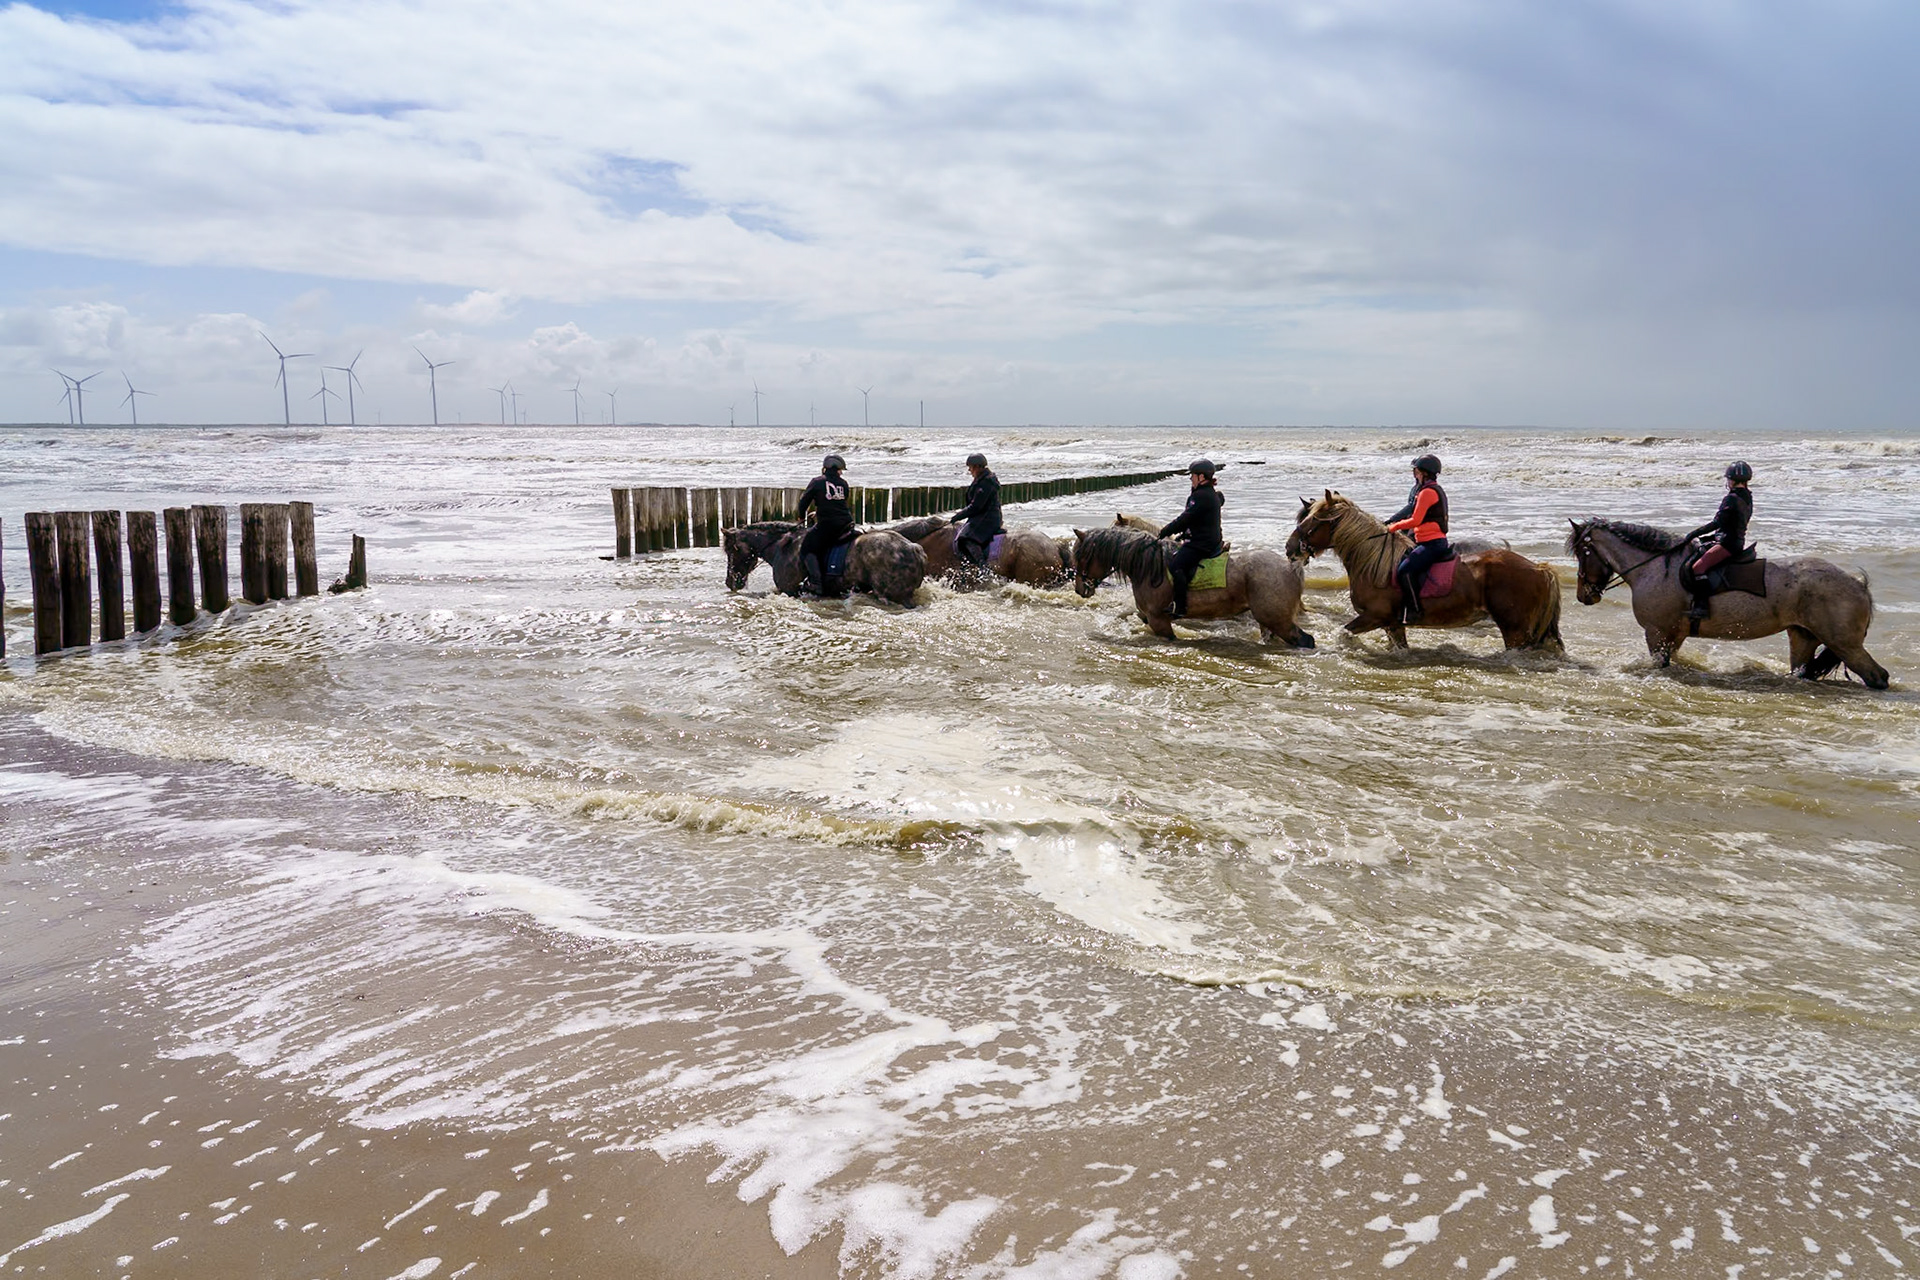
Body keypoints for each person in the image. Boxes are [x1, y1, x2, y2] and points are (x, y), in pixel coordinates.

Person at [1682, 461, 1754, 619]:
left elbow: (1717, 523)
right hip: (1735, 540)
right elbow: (1731, 524)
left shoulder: (1731, 498)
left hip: (1727, 544)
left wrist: (1693, 534)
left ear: (1732, 480)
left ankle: (1702, 608)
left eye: (1728, 479)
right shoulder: (1748, 497)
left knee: (1697, 568)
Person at [1385, 454, 1449, 623]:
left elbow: (1415, 520)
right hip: (1426, 540)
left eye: (1416, 471)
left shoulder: (1427, 492)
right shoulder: (1431, 489)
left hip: (1432, 543)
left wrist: (1393, 526)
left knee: (1404, 571)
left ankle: (1414, 611)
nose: (1415, 474)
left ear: (1424, 473)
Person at [1158, 459, 1223, 618]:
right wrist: (1184, 535)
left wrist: (1164, 531)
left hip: (1202, 543)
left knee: (1176, 565)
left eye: (1192, 476)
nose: (1190, 479)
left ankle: (1179, 607)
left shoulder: (1201, 496)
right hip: (1206, 538)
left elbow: (1185, 519)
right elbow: (1198, 521)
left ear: (1201, 477)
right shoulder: (1209, 493)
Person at [794, 453, 855, 595]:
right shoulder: (843, 483)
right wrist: (818, 512)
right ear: (837, 469)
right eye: (840, 470)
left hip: (828, 525)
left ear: (825, 468)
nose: (840, 472)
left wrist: (800, 517)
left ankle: (816, 583)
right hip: (846, 523)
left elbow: (804, 501)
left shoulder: (817, 482)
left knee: (807, 547)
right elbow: (839, 502)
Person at [948, 452, 1005, 572]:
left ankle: (983, 568)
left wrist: (957, 516)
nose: (969, 470)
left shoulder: (986, 483)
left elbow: (975, 507)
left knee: (966, 537)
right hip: (983, 516)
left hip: (988, 518)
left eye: (971, 467)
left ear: (978, 467)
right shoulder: (981, 479)